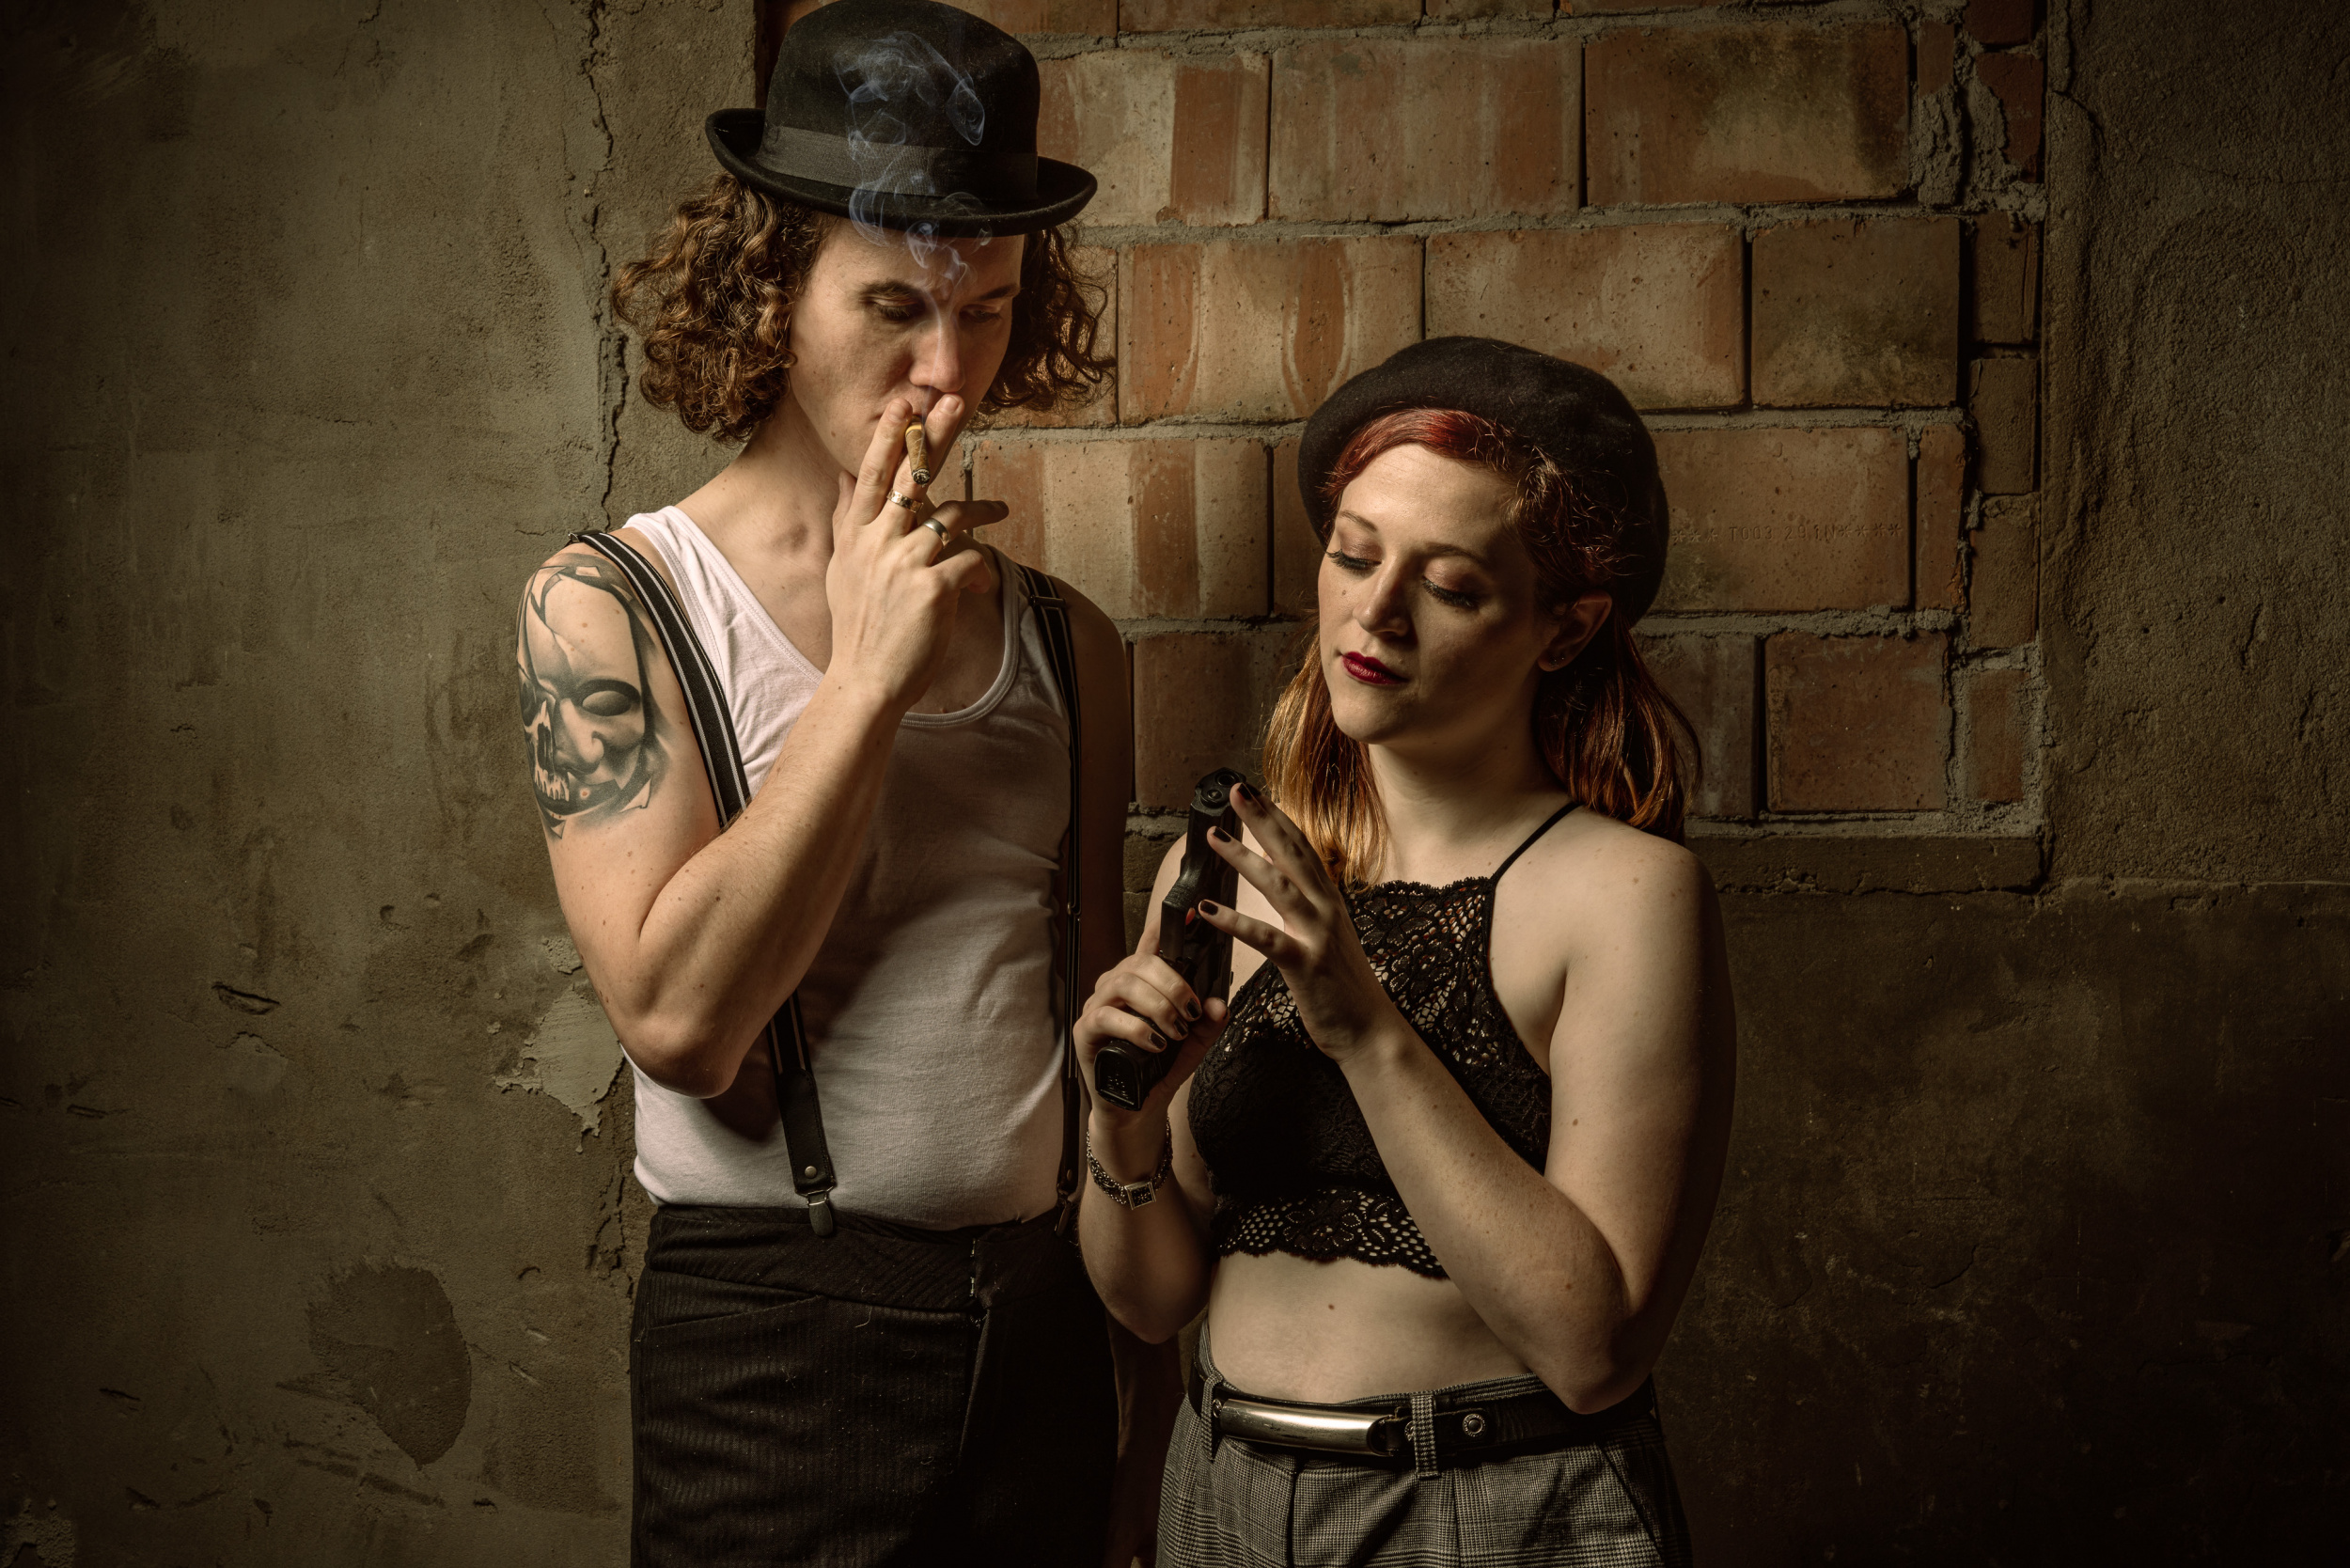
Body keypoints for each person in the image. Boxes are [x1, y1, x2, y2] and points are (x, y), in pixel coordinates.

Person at [516, 3, 1176, 1562]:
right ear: (771, 289)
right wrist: (868, 678)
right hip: (772, 1352)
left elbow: (1103, 1070)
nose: (945, 377)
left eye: (988, 314)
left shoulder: (1070, 643)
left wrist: (1144, 1401)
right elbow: (680, 1024)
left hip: (1045, 1333)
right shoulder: (609, 608)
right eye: (892, 306)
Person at [1073, 337, 1737, 1566]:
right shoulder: (1220, 872)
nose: (1375, 614)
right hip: (1220, 1497)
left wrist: (1365, 1026)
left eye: (1453, 586)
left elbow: (1595, 1349)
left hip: (1488, 1509)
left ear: (1565, 625)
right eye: (1353, 554)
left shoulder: (1627, 897)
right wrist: (1120, 1130)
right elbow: (1154, 1300)